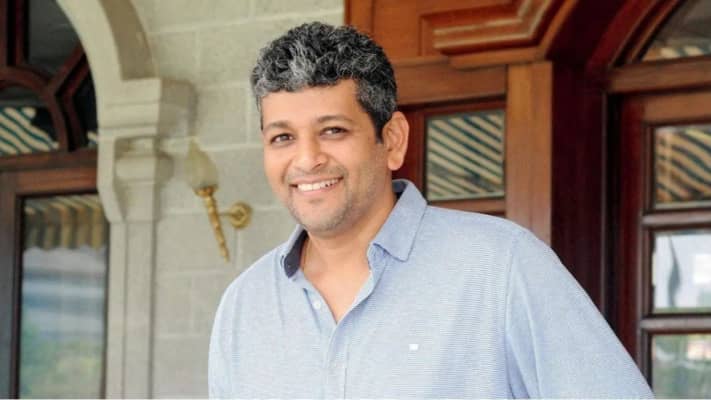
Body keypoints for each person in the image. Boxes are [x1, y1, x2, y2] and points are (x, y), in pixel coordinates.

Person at [208, 22, 654, 398]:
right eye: (282, 138)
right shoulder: (245, 305)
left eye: (333, 130)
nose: (306, 160)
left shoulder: (502, 266)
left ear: (393, 140)